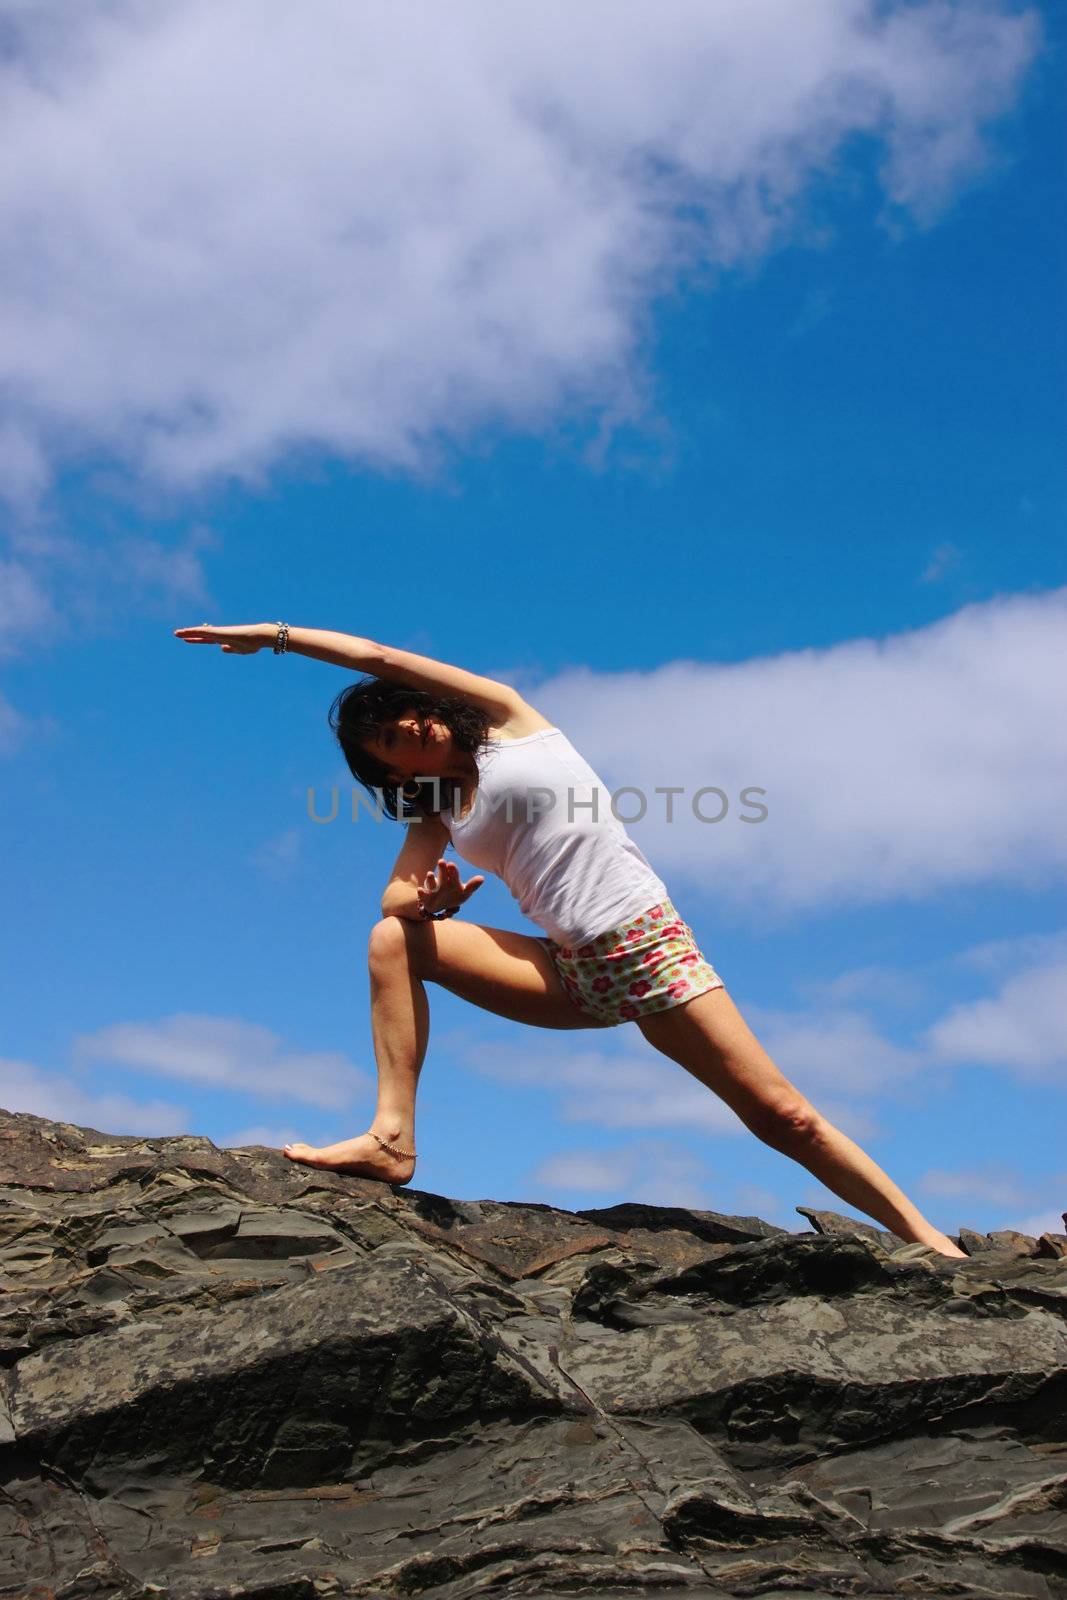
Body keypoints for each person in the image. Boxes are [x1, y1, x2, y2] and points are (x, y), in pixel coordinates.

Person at [174, 619, 968, 1258]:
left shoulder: (514, 724)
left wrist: (278, 637)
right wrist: (429, 899)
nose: (408, 731)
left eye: (402, 717)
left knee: (781, 1117)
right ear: (387, 771)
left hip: (646, 948)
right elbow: (394, 894)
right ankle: (390, 1140)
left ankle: (929, 1244)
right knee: (392, 937)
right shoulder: (438, 809)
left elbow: (381, 655)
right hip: (569, 972)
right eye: (387, 743)